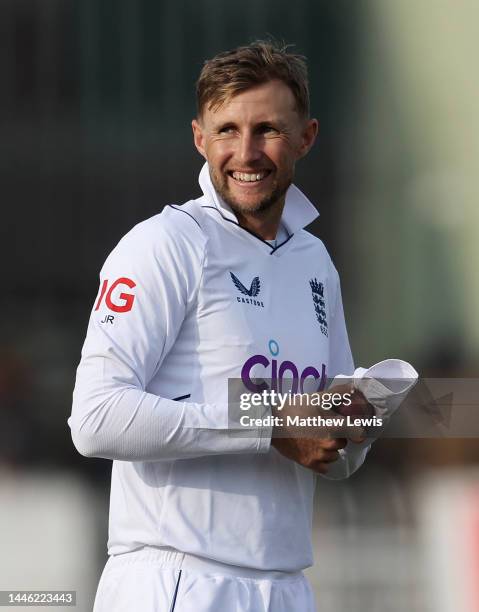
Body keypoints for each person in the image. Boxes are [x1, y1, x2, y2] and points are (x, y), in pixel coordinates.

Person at [69, 40, 373, 612]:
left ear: (306, 137)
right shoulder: (165, 244)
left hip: (286, 584)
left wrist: (355, 425)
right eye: (227, 129)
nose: (247, 152)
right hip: (176, 578)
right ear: (199, 138)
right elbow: (94, 419)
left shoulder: (316, 263)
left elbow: (328, 451)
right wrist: (272, 425)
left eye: (268, 130)